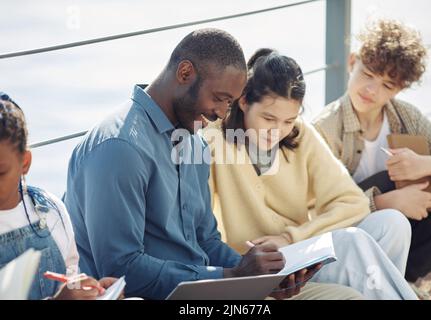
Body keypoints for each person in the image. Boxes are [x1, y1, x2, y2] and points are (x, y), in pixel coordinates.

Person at [64, 28, 363, 300]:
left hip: (211, 291)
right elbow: (121, 269)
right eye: (219, 98)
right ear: (184, 73)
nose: (222, 113)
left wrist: (265, 277)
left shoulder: (194, 142)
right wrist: (229, 277)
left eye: (230, 103)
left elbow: (206, 240)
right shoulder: (121, 147)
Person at [205, 48, 416, 299]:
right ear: (243, 101)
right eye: (268, 118)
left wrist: (289, 238)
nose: (277, 131)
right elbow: (201, 231)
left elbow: (354, 203)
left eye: (287, 120)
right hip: (258, 266)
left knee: (393, 223)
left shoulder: (300, 133)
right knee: (352, 242)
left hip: (301, 257)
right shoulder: (213, 141)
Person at [312, 19, 431, 283]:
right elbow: (316, 213)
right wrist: (386, 202)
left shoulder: (406, 117)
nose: (371, 90)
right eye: (368, 74)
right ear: (353, 63)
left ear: (400, 89)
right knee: (388, 180)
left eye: (387, 85)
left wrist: (429, 164)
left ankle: (407, 280)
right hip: (348, 238)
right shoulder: (323, 129)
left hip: (402, 238)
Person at [0, 93, 117, 300]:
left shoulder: (50, 211)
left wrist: (94, 292)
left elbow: (69, 278)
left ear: (25, 163)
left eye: (0, 173)